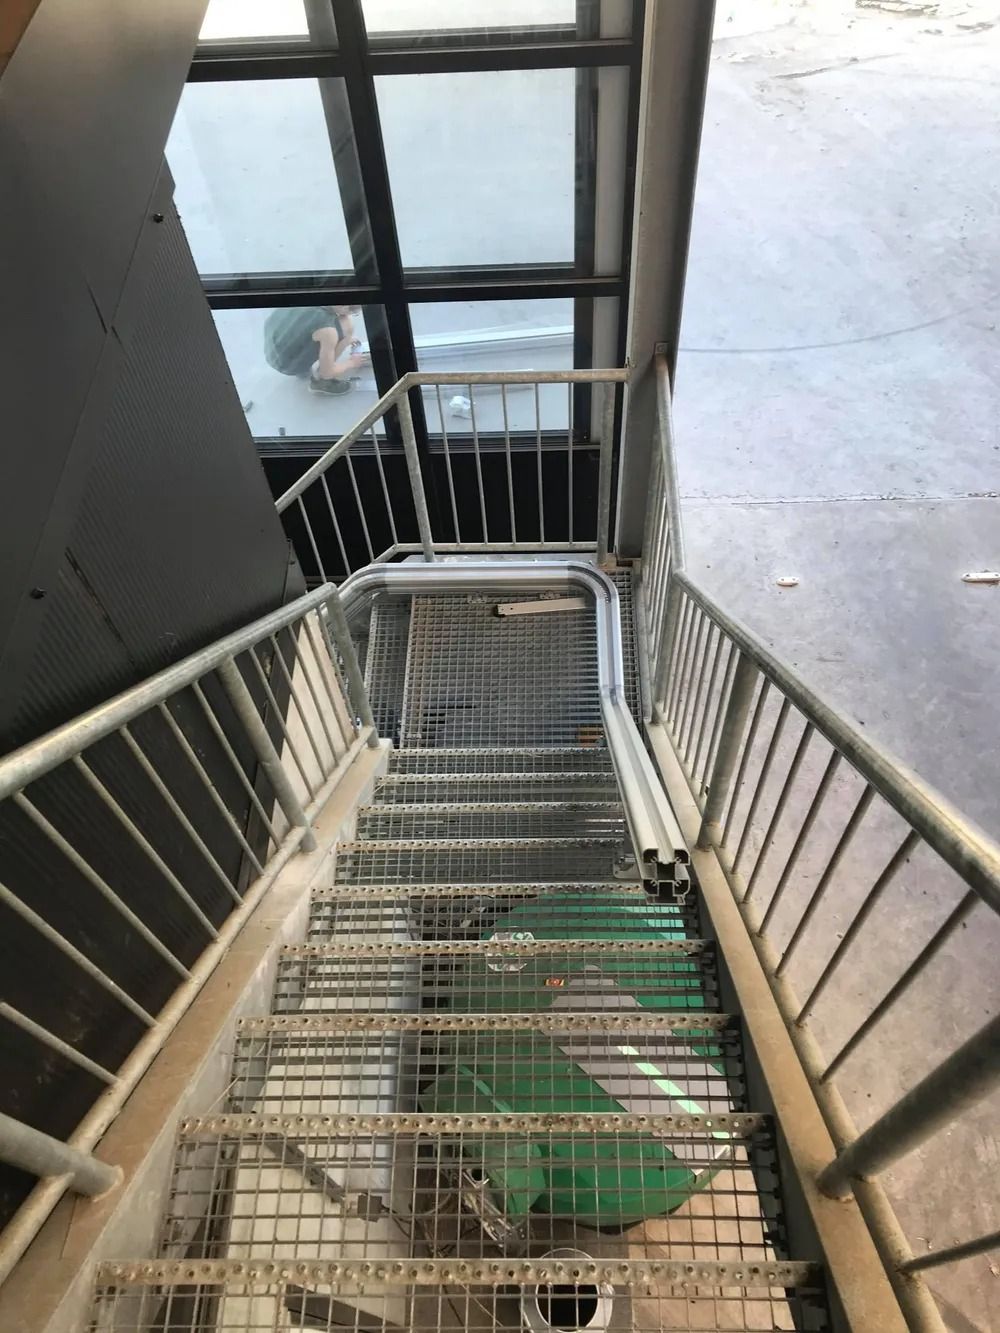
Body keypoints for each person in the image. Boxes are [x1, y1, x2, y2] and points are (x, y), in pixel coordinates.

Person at [263, 305, 366, 396]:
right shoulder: (328, 330)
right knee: (347, 325)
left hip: (272, 353)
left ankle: (300, 365)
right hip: (288, 366)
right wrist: (351, 363)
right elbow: (327, 372)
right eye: (353, 310)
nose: (352, 313)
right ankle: (321, 383)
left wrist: (346, 340)